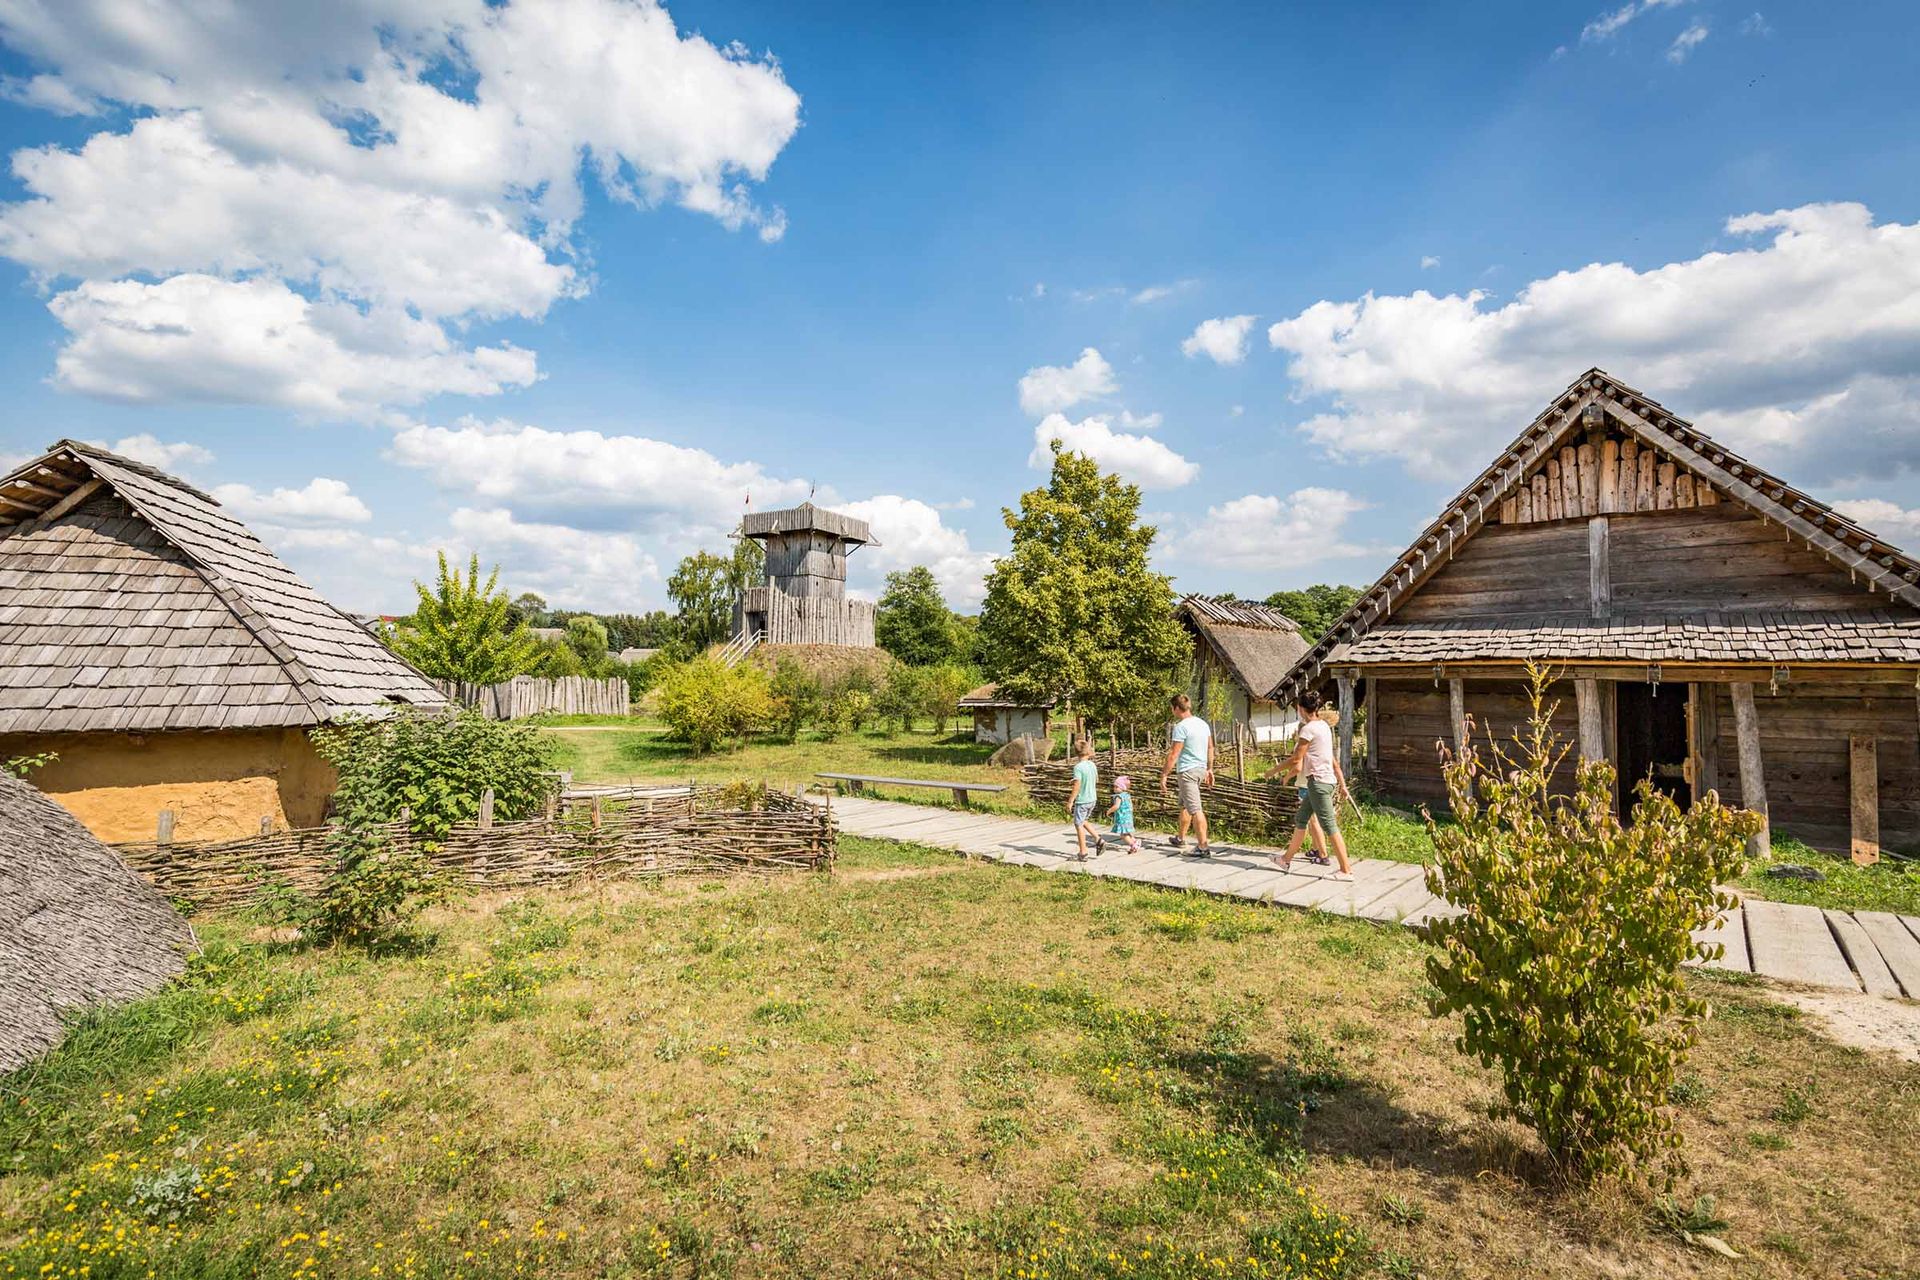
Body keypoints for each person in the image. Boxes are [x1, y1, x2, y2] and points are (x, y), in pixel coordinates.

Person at [1273, 690, 1353, 879]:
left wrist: (1274, 771)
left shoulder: (1307, 729)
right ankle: (1285, 860)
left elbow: (1296, 759)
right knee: (1301, 819)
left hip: (1319, 782)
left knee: (1330, 826)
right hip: (1321, 781)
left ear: (1301, 709)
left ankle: (1345, 870)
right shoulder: (1323, 725)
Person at [1159, 693, 1215, 856]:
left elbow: (1174, 754)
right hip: (1200, 769)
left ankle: (1203, 848)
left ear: (1176, 708)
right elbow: (1210, 747)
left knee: (1195, 808)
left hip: (1187, 772)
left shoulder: (1181, 727)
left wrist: (1164, 774)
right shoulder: (1202, 724)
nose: (1172, 711)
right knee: (1185, 805)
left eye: (1172, 708)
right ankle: (1181, 838)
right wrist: (1210, 768)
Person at [1067, 736, 1102, 861]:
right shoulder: (1092, 765)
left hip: (1082, 800)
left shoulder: (1078, 767)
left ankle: (1083, 852)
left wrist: (1071, 801)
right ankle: (1098, 839)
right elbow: (1096, 780)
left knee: (1078, 824)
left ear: (1076, 752)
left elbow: (1077, 785)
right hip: (1092, 798)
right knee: (1084, 820)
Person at [1104, 775, 1142, 855]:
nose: (1114, 788)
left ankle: (1133, 845)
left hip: (1122, 818)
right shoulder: (1127, 795)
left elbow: (1116, 806)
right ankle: (1134, 841)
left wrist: (1109, 811)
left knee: (1123, 835)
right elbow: (1131, 805)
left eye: (1116, 787)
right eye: (1114, 786)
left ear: (1122, 787)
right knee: (1127, 832)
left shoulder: (1119, 797)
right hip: (1128, 817)